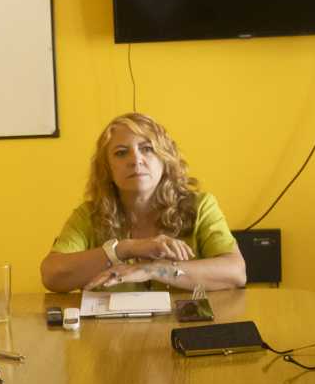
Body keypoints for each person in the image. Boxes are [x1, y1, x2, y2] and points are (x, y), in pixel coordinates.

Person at [40, 112, 247, 292]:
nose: (135, 160)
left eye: (147, 148)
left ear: (165, 159)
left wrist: (150, 270)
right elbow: (52, 275)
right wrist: (124, 249)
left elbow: (236, 272)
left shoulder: (201, 205)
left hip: (185, 330)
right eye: (121, 153)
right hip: (111, 334)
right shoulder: (89, 214)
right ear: (107, 169)